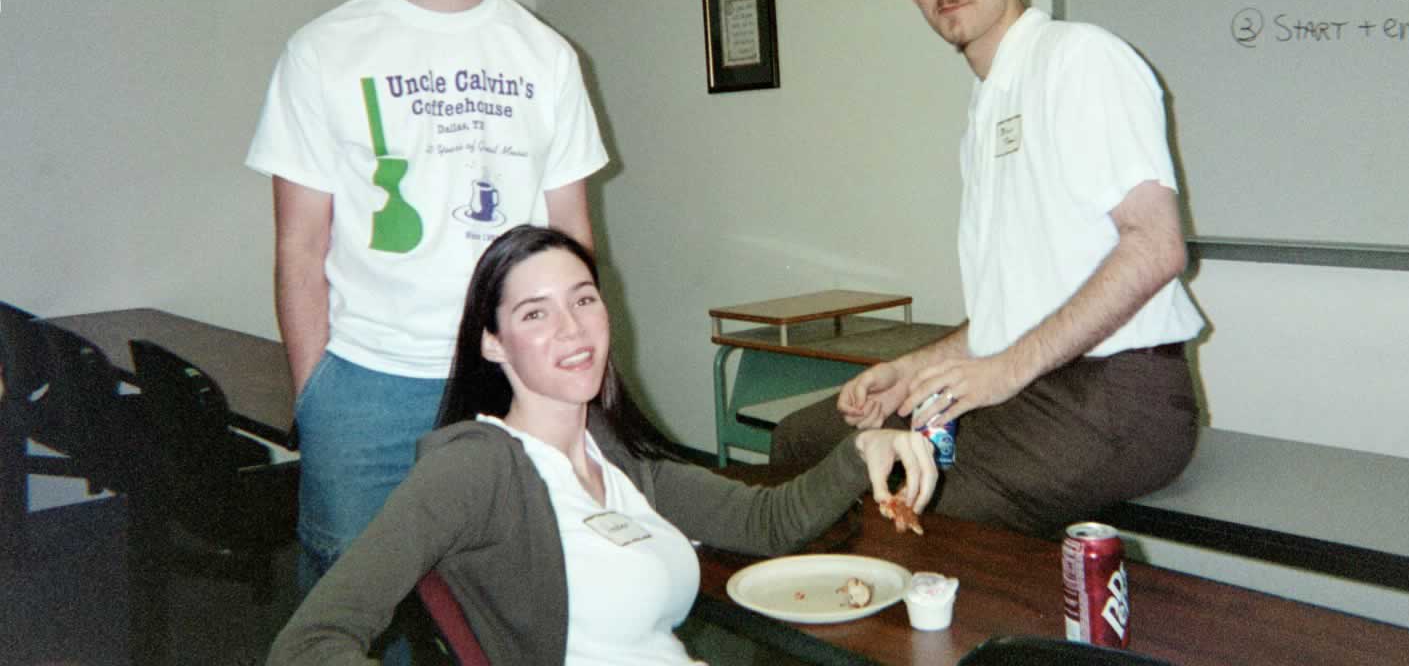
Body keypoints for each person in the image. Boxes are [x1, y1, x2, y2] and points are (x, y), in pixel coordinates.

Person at [268, 225, 937, 665]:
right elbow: (310, 642)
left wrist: (862, 452)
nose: (572, 329)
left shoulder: (616, 457)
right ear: (491, 342)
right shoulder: (479, 466)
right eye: (535, 313)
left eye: (584, 300)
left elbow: (767, 522)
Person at [245, 0, 610, 596]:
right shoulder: (326, 50)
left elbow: (571, 233)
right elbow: (299, 250)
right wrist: (318, 398)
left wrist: (577, 363)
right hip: (369, 385)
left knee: (516, 593)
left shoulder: (546, 57)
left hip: (510, 378)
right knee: (360, 606)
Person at [771, 0, 1202, 534]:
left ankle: (927, 630)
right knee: (805, 442)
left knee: (905, 505)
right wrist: (911, 372)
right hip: (1038, 385)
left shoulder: (1077, 60)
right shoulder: (988, 106)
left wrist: (1006, 370)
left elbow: (1157, 247)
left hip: (1118, 400)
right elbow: (1013, 311)